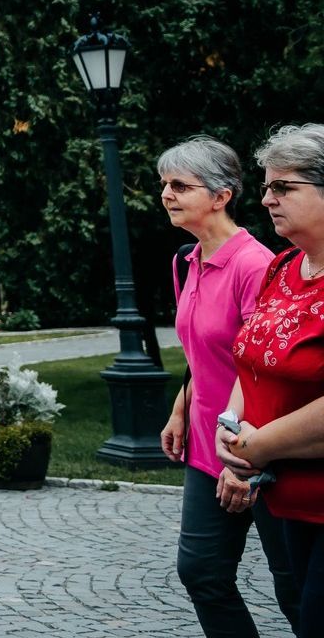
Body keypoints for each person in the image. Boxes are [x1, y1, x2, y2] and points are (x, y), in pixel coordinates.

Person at [156, 136, 297, 635]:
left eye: (180, 185)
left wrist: (246, 455)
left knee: (295, 589)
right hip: (204, 445)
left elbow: (262, 365)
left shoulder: (255, 265)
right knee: (202, 573)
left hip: (260, 448)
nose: (167, 194)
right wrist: (180, 409)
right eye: (164, 185)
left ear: (221, 195)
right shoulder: (185, 261)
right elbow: (203, 352)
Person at [219, 123, 324, 638]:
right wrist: (232, 427)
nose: (266, 199)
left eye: (283, 187)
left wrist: (253, 447)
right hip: (285, 498)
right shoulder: (282, 268)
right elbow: (251, 358)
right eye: (266, 186)